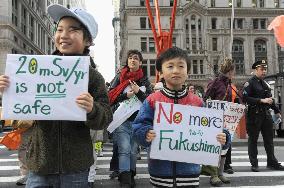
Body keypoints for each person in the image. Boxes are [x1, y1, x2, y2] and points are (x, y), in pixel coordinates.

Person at [0, 4, 113, 188]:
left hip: (76, 168)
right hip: (39, 166)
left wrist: (93, 109)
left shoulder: (93, 77)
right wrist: (8, 90)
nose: (64, 35)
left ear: (88, 41)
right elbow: (21, 110)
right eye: (59, 29)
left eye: (73, 30)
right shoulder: (36, 69)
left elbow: (105, 118)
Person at [132, 47, 231, 188]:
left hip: (190, 174)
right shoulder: (152, 100)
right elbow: (137, 127)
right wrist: (145, 133)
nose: (176, 70)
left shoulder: (197, 102)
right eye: (170, 66)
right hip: (160, 173)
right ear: (160, 72)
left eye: (181, 66)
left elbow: (213, 128)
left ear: (187, 72)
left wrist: (223, 137)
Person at [108, 49, 152, 187]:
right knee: (124, 149)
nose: (133, 60)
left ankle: (131, 174)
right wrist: (125, 96)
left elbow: (149, 101)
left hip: (137, 122)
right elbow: (110, 96)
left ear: (140, 62)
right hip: (122, 120)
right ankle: (125, 179)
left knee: (133, 151)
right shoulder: (119, 77)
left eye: (136, 58)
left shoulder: (144, 80)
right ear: (127, 61)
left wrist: (138, 92)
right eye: (130, 58)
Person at [243, 60, 284, 172]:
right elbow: (245, 98)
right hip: (254, 115)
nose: (264, 71)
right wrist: (261, 100)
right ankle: (254, 164)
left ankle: (272, 162)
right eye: (261, 69)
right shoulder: (249, 83)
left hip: (266, 115)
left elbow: (270, 99)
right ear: (255, 70)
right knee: (253, 140)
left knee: (269, 140)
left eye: (265, 69)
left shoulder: (265, 83)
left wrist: (277, 111)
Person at [202, 58, 236, 186]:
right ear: (229, 71)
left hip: (226, 119)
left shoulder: (228, 83)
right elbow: (206, 99)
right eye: (233, 71)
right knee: (215, 146)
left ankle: (221, 173)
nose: (234, 74)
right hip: (214, 119)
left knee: (225, 146)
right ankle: (213, 174)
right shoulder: (215, 82)